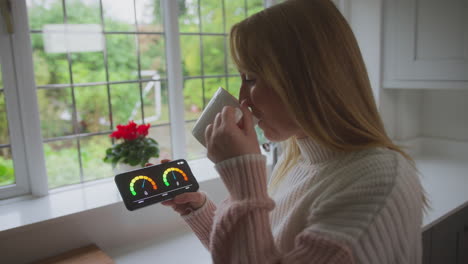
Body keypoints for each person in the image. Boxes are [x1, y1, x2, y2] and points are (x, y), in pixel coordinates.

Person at [158, 0, 429, 263]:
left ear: (307, 77)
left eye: (251, 78)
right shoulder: (298, 158)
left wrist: (242, 176)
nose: (243, 99)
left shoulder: (373, 183)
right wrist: (198, 208)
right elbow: (257, 251)